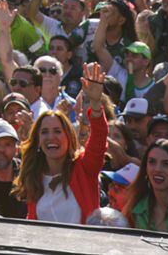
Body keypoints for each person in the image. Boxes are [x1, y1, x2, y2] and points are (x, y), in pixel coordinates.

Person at [13, 61, 111, 222]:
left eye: (58, 131)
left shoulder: (84, 168)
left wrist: (95, 103)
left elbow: (100, 135)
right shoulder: (34, 175)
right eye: (44, 132)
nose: (51, 137)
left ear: (69, 137)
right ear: (37, 141)